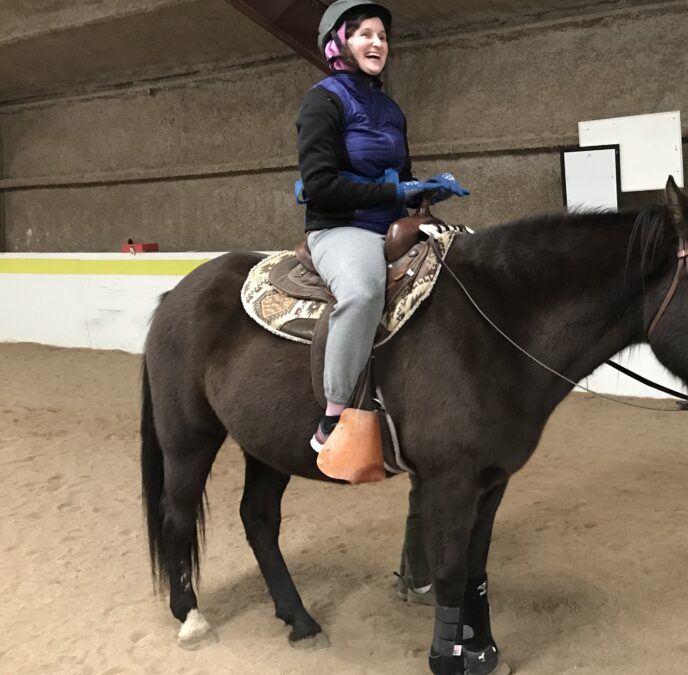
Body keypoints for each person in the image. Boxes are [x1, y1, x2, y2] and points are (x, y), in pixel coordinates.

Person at [298, 0, 461, 604]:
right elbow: (318, 183)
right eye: (364, 33)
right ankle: (335, 413)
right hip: (341, 228)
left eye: (383, 35)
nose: (377, 41)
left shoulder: (391, 109)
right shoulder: (322, 100)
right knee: (365, 290)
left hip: (391, 224)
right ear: (338, 44)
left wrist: (426, 199)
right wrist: (395, 190)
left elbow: (404, 179)